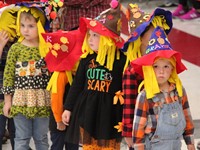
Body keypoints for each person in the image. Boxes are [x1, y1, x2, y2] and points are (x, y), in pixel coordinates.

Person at [62, 0, 127, 149]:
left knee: (109, 146)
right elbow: (77, 85)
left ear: (108, 39)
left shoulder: (120, 60)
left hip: (110, 112)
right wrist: (68, 108)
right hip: (88, 110)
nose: (90, 39)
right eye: (89, 35)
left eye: (96, 36)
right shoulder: (86, 59)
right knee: (88, 146)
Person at [130, 26, 195, 150]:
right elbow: (138, 128)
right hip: (153, 146)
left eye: (166, 66)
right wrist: (138, 147)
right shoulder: (145, 96)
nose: (161, 71)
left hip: (175, 145)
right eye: (156, 66)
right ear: (149, 69)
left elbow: (187, 116)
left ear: (172, 69)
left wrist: (190, 141)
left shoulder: (179, 91)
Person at [121, 3, 173, 149]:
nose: (159, 32)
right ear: (140, 38)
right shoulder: (133, 70)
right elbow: (129, 102)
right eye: (153, 30)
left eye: (160, 29)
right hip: (142, 131)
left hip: (164, 128)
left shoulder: (164, 62)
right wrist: (128, 132)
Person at [2, 3, 51, 150]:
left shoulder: (46, 49)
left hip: (42, 100)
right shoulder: (15, 49)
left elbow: (52, 76)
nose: (25, 30)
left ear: (40, 25)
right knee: (21, 138)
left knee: (41, 138)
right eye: (22, 25)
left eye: (30, 26)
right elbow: (8, 75)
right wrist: (7, 101)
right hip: (20, 100)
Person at [42, 29, 84, 150]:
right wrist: (59, 121)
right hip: (59, 122)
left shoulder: (75, 72)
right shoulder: (61, 74)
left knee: (72, 147)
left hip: (72, 121)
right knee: (57, 146)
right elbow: (56, 98)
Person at [0, 5, 20, 150]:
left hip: (17, 94)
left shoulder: (20, 43)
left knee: (16, 132)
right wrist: (1, 45)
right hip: (0, 94)